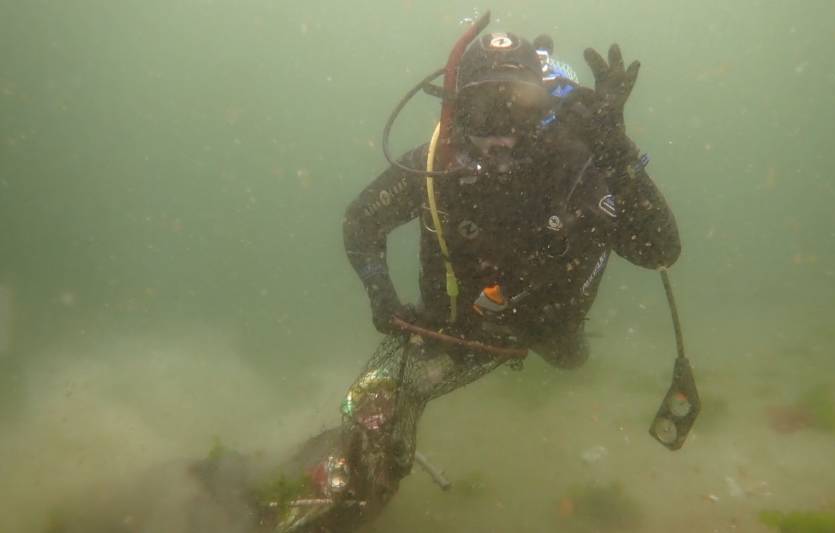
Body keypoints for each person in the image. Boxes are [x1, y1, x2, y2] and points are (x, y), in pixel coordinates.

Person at [280, 30, 681, 532]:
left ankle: (568, 346)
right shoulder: (433, 165)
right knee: (378, 404)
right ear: (453, 113)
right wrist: (380, 292)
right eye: (482, 114)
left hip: (547, 324)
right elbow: (361, 223)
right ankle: (329, 497)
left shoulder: (579, 162)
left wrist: (617, 154)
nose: (500, 137)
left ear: (545, 111)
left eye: (518, 110)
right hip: (456, 327)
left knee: (567, 356)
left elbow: (660, 251)